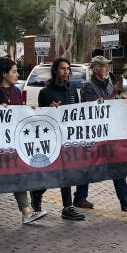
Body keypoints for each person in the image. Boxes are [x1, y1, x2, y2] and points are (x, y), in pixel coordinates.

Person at [0, 58, 47, 225]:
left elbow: (20, 112)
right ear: (4, 73)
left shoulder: (15, 91)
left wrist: (29, 111)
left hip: (12, 143)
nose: (16, 74)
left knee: (17, 174)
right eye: (14, 71)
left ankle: (26, 211)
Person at [73, 55, 127, 212]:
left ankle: (126, 200)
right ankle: (80, 197)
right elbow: (95, 107)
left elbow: (114, 104)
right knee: (88, 165)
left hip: (109, 132)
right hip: (93, 133)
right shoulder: (88, 86)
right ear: (96, 69)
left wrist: (124, 99)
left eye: (107, 66)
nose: (107, 69)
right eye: (104, 66)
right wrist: (114, 94)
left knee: (116, 163)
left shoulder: (109, 85)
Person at [30, 57, 85, 221]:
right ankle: (37, 191)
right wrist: (50, 109)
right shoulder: (45, 92)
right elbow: (41, 115)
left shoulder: (72, 89)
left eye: (68, 69)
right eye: (62, 68)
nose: (66, 71)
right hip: (52, 138)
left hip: (68, 137)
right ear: (55, 71)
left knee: (67, 171)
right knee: (52, 173)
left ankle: (68, 207)